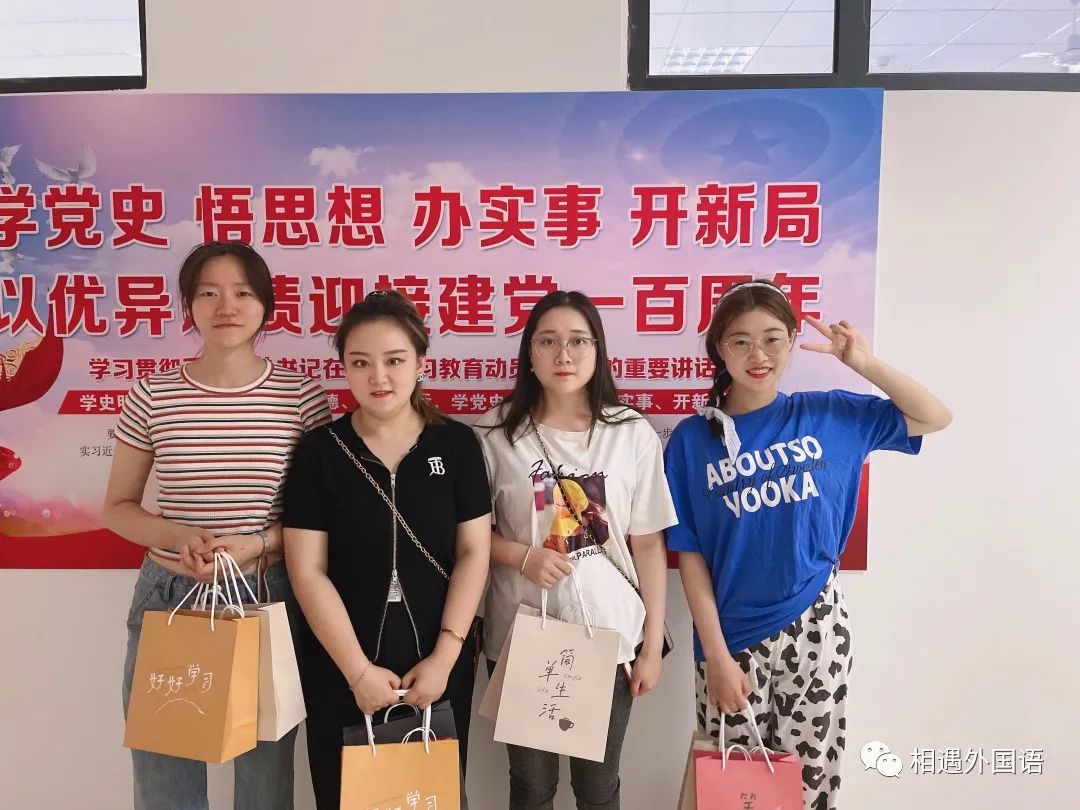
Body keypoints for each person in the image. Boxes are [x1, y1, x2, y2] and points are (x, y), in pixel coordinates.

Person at [664, 279, 952, 810]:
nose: (758, 355)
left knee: (810, 783)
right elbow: (690, 554)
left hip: (816, 627)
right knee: (733, 788)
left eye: (773, 339)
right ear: (719, 348)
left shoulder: (831, 415)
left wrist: (863, 363)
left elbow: (935, 417)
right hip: (732, 639)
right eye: (741, 341)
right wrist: (716, 656)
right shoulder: (691, 440)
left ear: (793, 341)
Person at [104, 240, 331, 810]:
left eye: (242, 293)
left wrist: (256, 543)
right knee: (165, 774)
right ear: (189, 305)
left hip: (264, 591)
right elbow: (118, 507)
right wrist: (178, 536)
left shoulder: (301, 396)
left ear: (266, 305)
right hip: (171, 593)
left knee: (264, 779)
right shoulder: (152, 394)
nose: (225, 306)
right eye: (208, 293)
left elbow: (318, 517)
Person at [282, 290, 491, 809]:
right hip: (341, 663)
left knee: (432, 797)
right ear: (344, 369)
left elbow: (474, 552)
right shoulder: (319, 452)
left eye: (394, 360)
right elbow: (307, 570)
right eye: (361, 363)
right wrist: (357, 671)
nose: (379, 376)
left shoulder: (457, 445)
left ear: (421, 363)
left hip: (437, 664)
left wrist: (446, 657)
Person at [475, 290, 677, 810]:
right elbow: (467, 537)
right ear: (529, 353)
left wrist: (650, 646)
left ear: (597, 350)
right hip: (522, 634)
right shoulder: (495, 433)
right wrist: (521, 556)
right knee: (531, 788)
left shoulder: (630, 432)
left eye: (578, 341)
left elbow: (648, 544)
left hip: (609, 636)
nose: (563, 355)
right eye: (548, 341)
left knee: (598, 789)